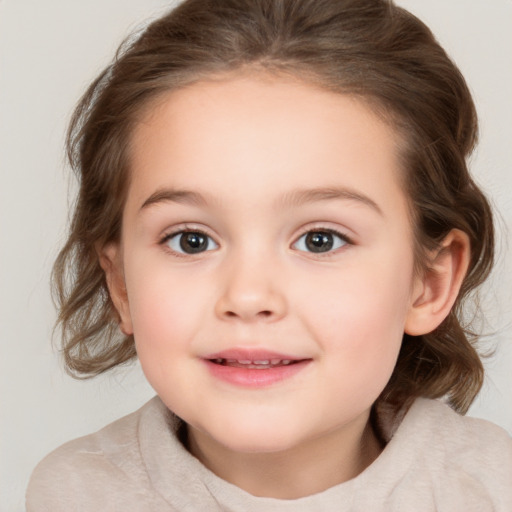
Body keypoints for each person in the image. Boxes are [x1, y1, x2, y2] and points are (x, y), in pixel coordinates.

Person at [26, 0, 512, 510]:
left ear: (429, 283)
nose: (249, 296)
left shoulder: (490, 488)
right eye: (191, 240)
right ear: (121, 283)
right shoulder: (78, 494)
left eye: (320, 239)